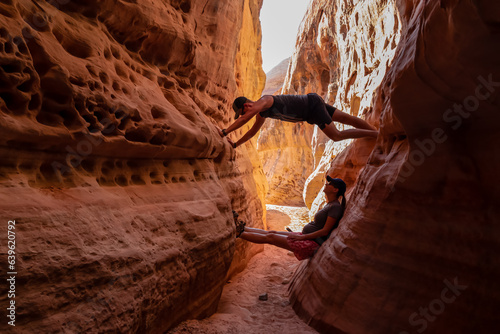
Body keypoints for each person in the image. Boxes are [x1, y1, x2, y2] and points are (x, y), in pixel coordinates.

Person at [234, 176, 347, 261]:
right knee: (271, 233)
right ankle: (242, 228)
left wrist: (303, 238)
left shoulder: (335, 207)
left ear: (335, 190)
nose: (326, 184)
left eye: (330, 183)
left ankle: (239, 233)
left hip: (311, 243)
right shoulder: (331, 204)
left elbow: (325, 231)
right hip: (306, 238)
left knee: (271, 237)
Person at [219, 94, 377, 148]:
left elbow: (245, 119)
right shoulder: (262, 114)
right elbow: (251, 133)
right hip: (311, 105)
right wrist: (235, 144)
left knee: (336, 135)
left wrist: (225, 132)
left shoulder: (264, 100)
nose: (244, 115)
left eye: (242, 112)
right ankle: (375, 132)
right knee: (345, 118)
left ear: (246, 105)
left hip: (311, 108)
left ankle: (377, 135)